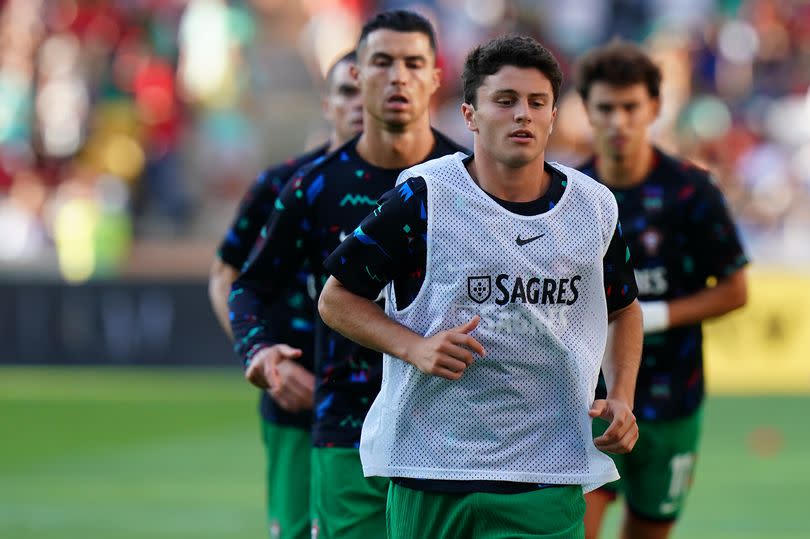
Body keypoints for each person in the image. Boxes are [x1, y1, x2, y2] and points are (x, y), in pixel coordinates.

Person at [318, 35, 643, 539]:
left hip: (546, 473)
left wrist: (621, 395)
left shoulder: (593, 207)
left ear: (554, 114)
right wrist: (416, 348)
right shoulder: (423, 198)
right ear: (469, 114)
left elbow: (623, 309)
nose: (523, 116)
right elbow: (337, 298)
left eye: (537, 103)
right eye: (505, 101)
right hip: (430, 469)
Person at [229, 10, 466, 539]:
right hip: (345, 429)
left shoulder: (471, 182)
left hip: (449, 431)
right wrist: (259, 351)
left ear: (435, 77)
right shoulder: (313, 187)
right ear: (357, 75)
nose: (397, 76)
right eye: (381, 62)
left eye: (413, 63)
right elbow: (248, 285)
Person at [574, 41, 749, 539]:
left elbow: (735, 289)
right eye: (606, 108)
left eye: (631, 107)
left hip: (673, 398)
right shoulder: (569, 193)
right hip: (590, 402)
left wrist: (656, 316)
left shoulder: (692, 191)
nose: (619, 121)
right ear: (587, 110)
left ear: (654, 108)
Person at [208, 51, 362, 539]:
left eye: (366, 88)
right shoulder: (284, 184)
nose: (359, 103)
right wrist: (261, 356)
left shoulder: (429, 182)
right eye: (346, 91)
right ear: (327, 104)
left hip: (389, 397)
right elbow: (227, 275)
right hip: (297, 394)